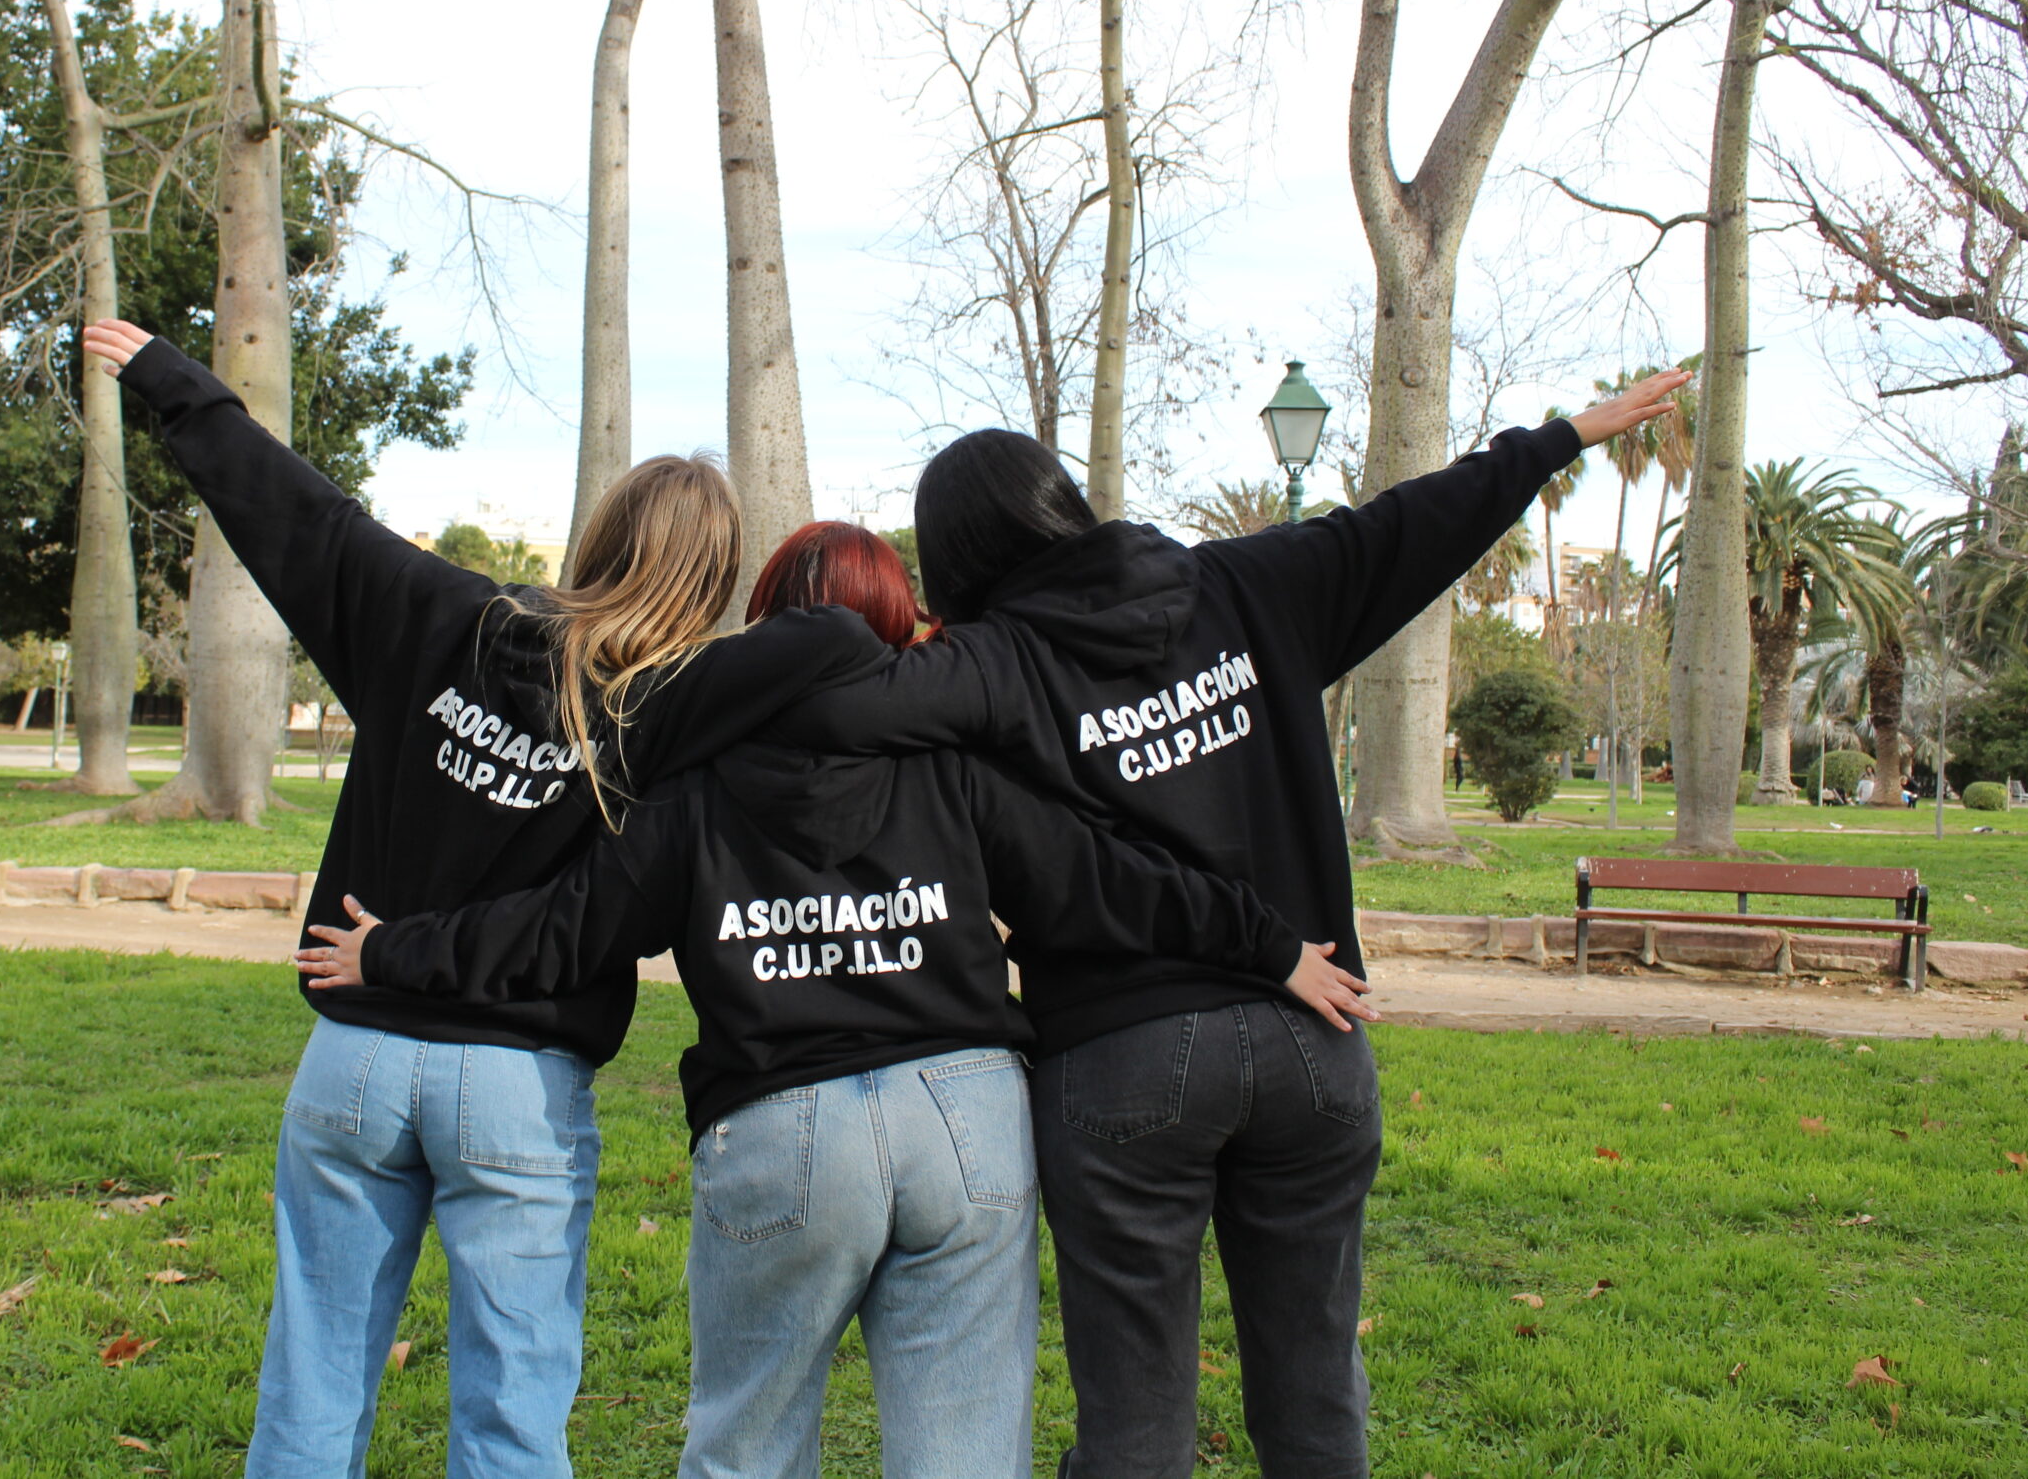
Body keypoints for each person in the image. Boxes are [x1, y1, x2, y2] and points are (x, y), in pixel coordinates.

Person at [298, 521, 1376, 1479]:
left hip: (782, 1121)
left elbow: (562, 928)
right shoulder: (954, 765)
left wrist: (393, 951)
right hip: (963, 1120)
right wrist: (1270, 946)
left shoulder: (696, 783)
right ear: (903, 625)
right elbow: (1104, 880)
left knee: (747, 1449)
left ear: (761, 618)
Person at [767, 371, 1689, 1479]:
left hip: (1122, 1060)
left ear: (955, 562)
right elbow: (1410, 526)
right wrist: (1556, 439)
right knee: (1316, 1408)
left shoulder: (992, 664)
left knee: (1136, 1427)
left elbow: (827, 706)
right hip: (1315, 1040)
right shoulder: (1247, 586)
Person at [80, 322, 890, 1479]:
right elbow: (834, 640)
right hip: (517, 1086)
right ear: (713, 582)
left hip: (355, 1059)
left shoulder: (435, 615)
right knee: (512, 1413)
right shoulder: (676, 698)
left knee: (312, 1381)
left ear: (596, 537)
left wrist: (176, 383)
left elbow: (300, 513)